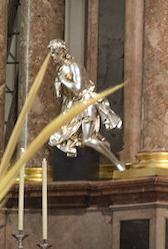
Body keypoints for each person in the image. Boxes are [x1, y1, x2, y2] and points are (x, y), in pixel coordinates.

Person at [47, 38, 125, 171]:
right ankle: (104, 149)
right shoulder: (60, 69)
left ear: (63, 52)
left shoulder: (74, 66)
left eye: (56, 53)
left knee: (88, 139)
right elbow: (61, 95)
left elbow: (78, 89)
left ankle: (116, 162)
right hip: (71, 107)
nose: (54, 56)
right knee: (57, 137)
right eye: (52, 53)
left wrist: (63, 81)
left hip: (84, 104)